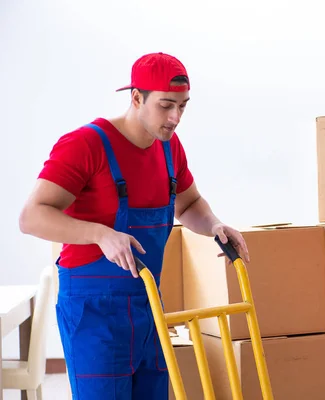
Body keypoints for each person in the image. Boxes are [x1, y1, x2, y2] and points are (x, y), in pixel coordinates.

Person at [19, 52, 250, 400]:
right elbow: (32, 216)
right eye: (166, 105)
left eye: (183, 106)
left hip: (148, 305)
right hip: (94, 311)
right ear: (137, 97)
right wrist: (100, 234)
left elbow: (188, 204)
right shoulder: (86, 145)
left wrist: (214, 225)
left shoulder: (169, 149)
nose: (175, 118)